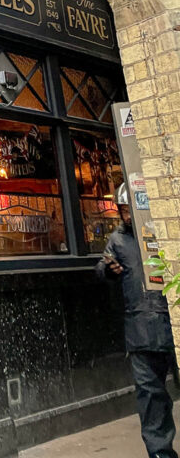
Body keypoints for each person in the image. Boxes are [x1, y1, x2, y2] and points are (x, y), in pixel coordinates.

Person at [97, 183, 178, 458]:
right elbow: (101, 268)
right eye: (123, 210)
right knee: (151, 397)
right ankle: (160, 453)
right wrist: (109, 269)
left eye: (130, 209)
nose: (127, 215)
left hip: (169, 321)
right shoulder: (118, 240)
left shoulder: (160, 231)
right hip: (140, 329)